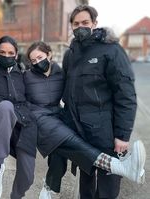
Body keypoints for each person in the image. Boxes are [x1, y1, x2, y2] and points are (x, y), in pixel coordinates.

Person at [24, 41, 146, 199]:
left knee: (60, 152)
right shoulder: (26, 76)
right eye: (33, 61)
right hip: (39, 118)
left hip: (58, 116)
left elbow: (71, 95)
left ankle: (50, 187)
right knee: (74, 142)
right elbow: (19, 98)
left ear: (49, 54)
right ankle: (118, 166)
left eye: (40, 57)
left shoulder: (60, 73)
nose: (37, 63)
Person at [60, 5, 141, 199]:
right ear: (71, 26)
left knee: (108, 182)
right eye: (76, 24)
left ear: (94, 23)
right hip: (79, 131)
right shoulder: (70, 54)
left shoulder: (111, 50)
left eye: (85, 23)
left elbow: (126, 95)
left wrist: (122, 135)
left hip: (105, 131)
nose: (80, 27)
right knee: (86, 178)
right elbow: (66, 90)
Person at [0, 36, 37, 199]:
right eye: (2, 52)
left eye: (10, 53)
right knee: (5, 106)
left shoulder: (21, 71)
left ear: (15, 55)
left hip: (22, 123)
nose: (6, 56)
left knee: (28, 176)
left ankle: (16, 195)